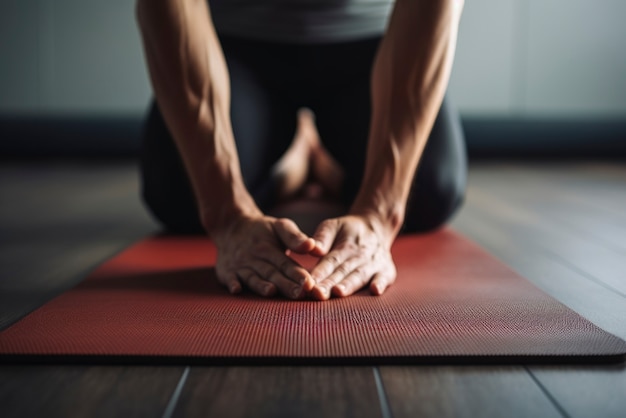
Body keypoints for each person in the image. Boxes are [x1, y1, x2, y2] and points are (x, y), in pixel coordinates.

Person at [136, 0, 467, 301]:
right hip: (234, 43)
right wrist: (228, 214)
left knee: (426, 192)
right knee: (180, 195)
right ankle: (296, 162)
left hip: (371, 41)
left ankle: (321, 164)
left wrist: (378, 215)